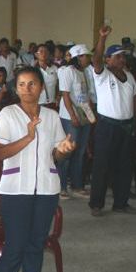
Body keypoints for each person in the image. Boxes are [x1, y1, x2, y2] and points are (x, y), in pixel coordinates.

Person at [0, 66, 75, 272]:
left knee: (36, 245)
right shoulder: (7, 114)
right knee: (15, 246)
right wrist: (28, 137)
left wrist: (64, 149)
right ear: (16, 89)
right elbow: (1, 153)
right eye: (23, 84)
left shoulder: (51, 116)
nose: (28, 88)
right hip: (16, 190)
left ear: (41, 87)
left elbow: (55, 155)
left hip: (46, 189)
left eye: (33, 83)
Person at [89, 26, 136, 216]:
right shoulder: (102, 75)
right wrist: (102, 38)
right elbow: (95, 59)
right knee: (102, 165)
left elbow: (135, 99)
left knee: (124, 165)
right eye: (118, 56)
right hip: (107, 126)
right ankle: (96, 204)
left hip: (126, 127)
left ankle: (121, 202)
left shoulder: (129, 77)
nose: (122, 59)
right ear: (108, 59)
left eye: (123, 56)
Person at [57, 44, 95, 198]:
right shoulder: (68, 72)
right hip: (69, 116)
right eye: (86, 56)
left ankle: (77, 185)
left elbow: (86, 94)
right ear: (78, 57)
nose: (89, 59)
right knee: (67, 151)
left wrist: (90, 115)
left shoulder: (86, 72)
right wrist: (73, 116)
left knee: (80, 152)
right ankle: (61, 186)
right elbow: (65, 96)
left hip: (84, 115)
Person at [35, 43, 59, 110]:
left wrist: (58, 96)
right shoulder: (33, 70)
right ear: (36, 54)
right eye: (41, 51)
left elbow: (58, 84)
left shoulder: (55, 68)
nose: (44, 53)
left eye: (46, 51)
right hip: (38, 104)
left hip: (52, 103)